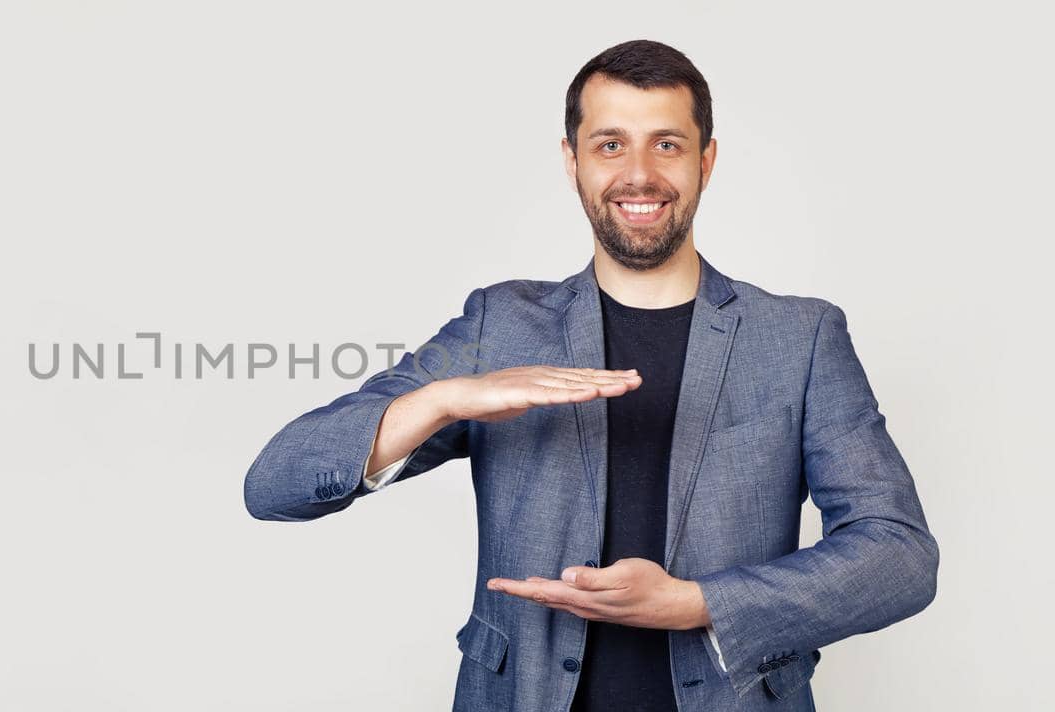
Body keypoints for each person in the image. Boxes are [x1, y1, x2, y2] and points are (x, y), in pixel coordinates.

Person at [242, 39, 938, 712]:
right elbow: (275, 484)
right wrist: (447, 398)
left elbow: (899, 556)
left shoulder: (801, 337)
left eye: (666, 143)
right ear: (572, 161)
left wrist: (697, 605)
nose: (640, 173)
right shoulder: (499, 326)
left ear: (707, 160)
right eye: (610, 144)